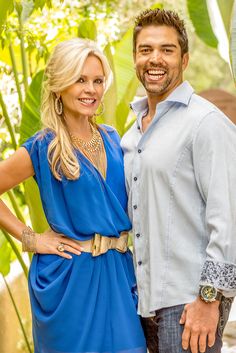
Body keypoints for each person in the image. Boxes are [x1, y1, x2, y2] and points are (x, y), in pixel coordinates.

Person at [0, 38, 146, 353]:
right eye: (80, 79)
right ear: (60, 86)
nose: (91, 89)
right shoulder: (43, 147)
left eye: (97, 80)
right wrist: (31, 238)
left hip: (119, 274)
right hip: (69, 282)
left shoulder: (112, 138)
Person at [121, 8, 236, 353]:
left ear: (184, 59)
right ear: (135, 58)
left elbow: (228, 219)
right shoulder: (131, 136)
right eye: (146, 50)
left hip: (189, 307)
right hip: (141, 306)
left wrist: (209, 301)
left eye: (167, 50)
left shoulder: (205, 123)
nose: (155, 59)